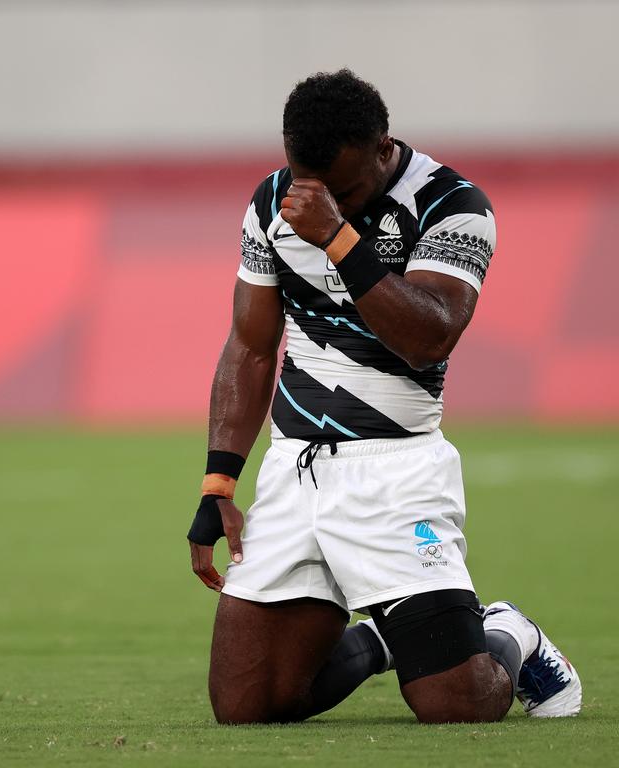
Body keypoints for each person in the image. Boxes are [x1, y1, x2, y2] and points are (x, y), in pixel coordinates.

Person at [187, 69, 581, 724]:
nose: (317, 200)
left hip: (395, 474)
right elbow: (250, 348)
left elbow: (428, 337)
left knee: (455, 706)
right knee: (248, 705)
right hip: (295, 472)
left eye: (342, 189)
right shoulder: (272, 202)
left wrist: (339, 238)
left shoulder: (450, 204)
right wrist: (218, 483)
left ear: (382, 147)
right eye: (304, 180)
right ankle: (381, 639)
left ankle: (510, 633)